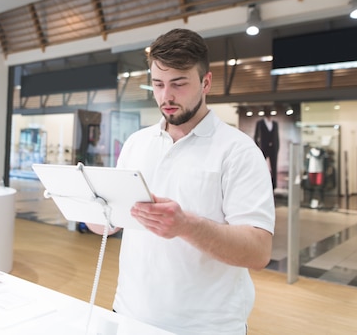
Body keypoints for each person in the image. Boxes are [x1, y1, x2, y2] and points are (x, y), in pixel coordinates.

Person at [89, 28, 275, 334]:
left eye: (178, 83)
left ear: (206, 82)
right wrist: (82, 202)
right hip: (128, 314)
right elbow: (107, 225)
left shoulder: (239, 151)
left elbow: (258, 252)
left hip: (207, 327)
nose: (166, 96)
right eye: (158, 84)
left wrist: (186, 226)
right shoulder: (137, 143)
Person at [254, 113, 280, 189]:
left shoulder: (275, 124)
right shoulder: (260, 123)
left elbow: (276, 137)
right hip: (263, 148)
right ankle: (260, 183)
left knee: (274, 167)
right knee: (261, 166)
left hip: (273, 148)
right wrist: (257, 148)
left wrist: (277, 147)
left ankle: (274, 185)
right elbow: (256, 136)